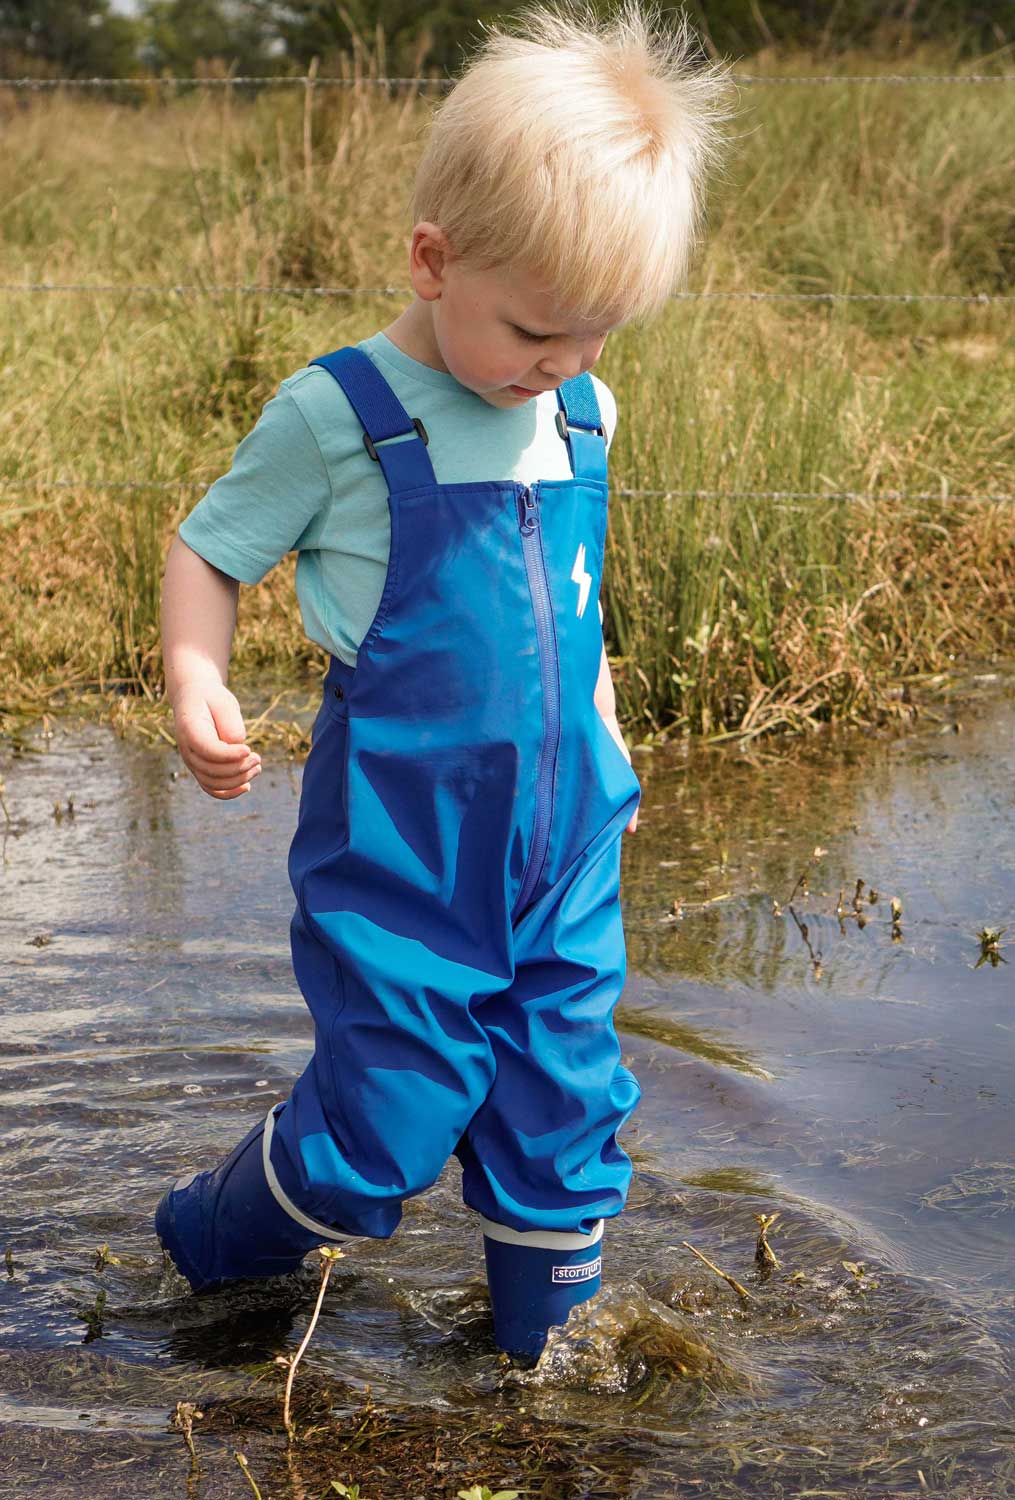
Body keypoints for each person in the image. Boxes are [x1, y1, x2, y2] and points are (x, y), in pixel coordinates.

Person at [154, 0, 734, 1361]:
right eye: (538, 329)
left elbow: (570, 613)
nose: (566, 364)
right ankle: (207, 1251)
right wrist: (197, 677)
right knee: (387, 1128)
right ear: (433, 259)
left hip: (564, 840)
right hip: (404, 841)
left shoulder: (582, 411)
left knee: (562, 1109)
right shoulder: (340, 415)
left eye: (599, 333)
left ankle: (540, 1372)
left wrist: (606, 740)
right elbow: (208, 547)